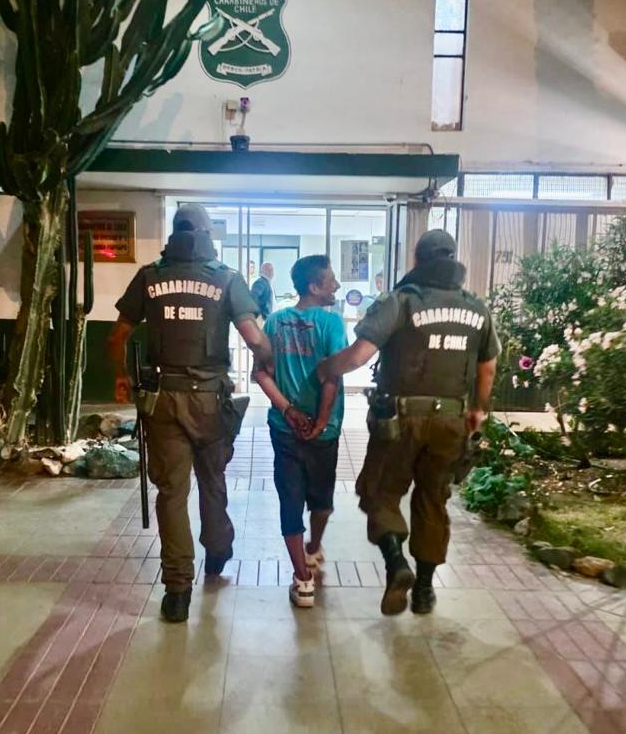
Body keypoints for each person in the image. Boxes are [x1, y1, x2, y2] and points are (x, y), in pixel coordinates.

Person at [318, 230, 499, 616]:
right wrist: (477, 410)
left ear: (417, 260)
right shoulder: (476, 308)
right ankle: (424, 590)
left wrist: (326, 369)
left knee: (380, 492)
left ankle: (396, 563)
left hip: (399, 421)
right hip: (452, 419)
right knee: (433, 499)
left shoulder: (400, 301)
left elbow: (359, 355)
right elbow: (487, 367)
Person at [109, 204, 272, 624]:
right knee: (212, 479)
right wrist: (267, 364)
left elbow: (118, 335)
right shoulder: (226, 278)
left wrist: (122, 377)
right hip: (210, 400)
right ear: (207, 235)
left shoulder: (150, 276)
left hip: (163, 399)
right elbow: (254, 337)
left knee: (171, 493)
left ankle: (177, 590)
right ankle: (217, 549)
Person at [253, 255, 347, 608]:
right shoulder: (331, 322)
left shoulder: (275, 322)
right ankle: (312, 550)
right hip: (324, 432)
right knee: (322, 501)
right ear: (314, 286)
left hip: (284, 429)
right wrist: (320, 421)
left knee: (290, 499)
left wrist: (288, 410)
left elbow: (261, 373)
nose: (336, 285)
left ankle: (302, 580)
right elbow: (331, 375)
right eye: (331, 280)